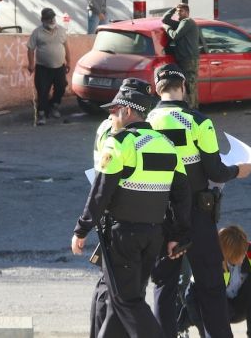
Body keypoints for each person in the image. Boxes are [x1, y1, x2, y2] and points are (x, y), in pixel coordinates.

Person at [71, 86, 192, 338]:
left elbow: (100, 192)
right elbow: (181, 196)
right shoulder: (167, 145)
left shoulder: (121, 142)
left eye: (114, 112)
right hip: (153, 236)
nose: (111, 118)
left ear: (126, 111)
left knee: (127, 301)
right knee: (122, 301)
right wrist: (177, 235)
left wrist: (82, 228)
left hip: (123, 236)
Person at [148, 63, 251, 338]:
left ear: (156, 89)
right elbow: (215, 170)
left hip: (160, 216)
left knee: (164, 286)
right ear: (183, 87)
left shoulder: (146, 123)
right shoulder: (198, 122)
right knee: (210, 286)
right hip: (197, 215)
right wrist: (238, 170)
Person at [88, 78, 155, 338]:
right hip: (122, 219)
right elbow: (105, 183)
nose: (112, 113)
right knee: (118, 293)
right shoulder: (117, 133)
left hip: (116, 217)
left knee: (119, 292)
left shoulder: (115, 129)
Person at [184, 225, 251, 338]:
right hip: (216, 306)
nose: (243, 258)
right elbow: (193, 296)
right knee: (196, 297)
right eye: (240, 255)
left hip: (240, 306)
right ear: (226, 254)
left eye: (244, 251)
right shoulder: (211, 260)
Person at [26, 8, 71, 125]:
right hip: (43, 68)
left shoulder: (61, 30)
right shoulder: (37, 32)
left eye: (53, 18)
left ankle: (54, 106)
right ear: (42, 20)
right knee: (42, 91)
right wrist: (31, 64)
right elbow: (30, 49)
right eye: (48, 18)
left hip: (59, 67)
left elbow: (66, 47)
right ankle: (41, 115)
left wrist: (69, 62)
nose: (51, 20)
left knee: (61, 87)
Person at [162, 3, 200, 109]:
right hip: (183, 59)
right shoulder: (181, 23)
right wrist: (174, 8)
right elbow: (165, 19)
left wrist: (167, 29)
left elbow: (175, 35)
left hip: (189, 59)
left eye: (181, 11)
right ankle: (191, 108)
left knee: (190, 85)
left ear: (187, 12)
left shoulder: (187, 22)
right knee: (186, 85)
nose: (178, 13)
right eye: (178, 11)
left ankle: (193, 110)